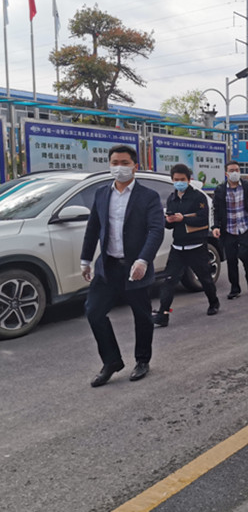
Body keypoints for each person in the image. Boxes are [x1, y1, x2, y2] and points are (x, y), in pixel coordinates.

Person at [80, 145, 164, 387]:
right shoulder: (101, 194)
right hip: (108, 266)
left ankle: (142, 360)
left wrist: (143, 260)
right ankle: (111, 361)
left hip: (135, 267)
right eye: (115, 163)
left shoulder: (148, 196)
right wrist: (86, 260)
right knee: (94, 311)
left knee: (142, 316)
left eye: (124, 163)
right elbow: (93, 228)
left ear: (135, 166)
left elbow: (156, 230)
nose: (119, 168)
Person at [152, 164, 219, 327]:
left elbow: (203, 219)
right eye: (176, 180)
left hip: (196, 246)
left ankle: (213, 302)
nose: (179, 182)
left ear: (189, 180)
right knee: (169, 281)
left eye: (182, 179)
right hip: (178, 247)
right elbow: (169, 225)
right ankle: (163, 314)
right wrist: (168, 221)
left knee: (205, 279)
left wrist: (184, 219)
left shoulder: (198, 197)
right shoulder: (172, 198)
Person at [213, 161, 248, 299]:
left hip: (245, 227)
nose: (234, 172)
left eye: (237, 170)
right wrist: (215, 226)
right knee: (231, 260)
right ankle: (235, 288)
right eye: (231, 170)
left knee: (247, 257)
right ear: (226, 173)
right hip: (228, 229)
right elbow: (215, 209)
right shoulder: (220, 190)